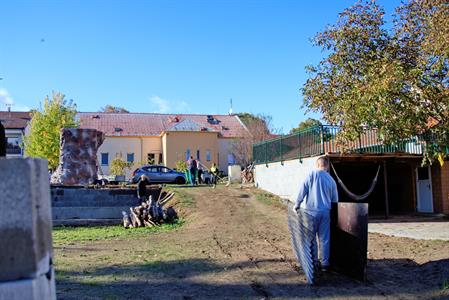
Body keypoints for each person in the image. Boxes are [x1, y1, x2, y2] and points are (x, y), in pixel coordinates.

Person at [294, 156, 338, 272]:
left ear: (317, 164)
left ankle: (313, 262)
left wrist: (297, 204)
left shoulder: (311, 175)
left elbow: (302, 191)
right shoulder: (331, 180)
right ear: (327, 166)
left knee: (311, 238)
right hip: (325, 213)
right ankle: (325, 264)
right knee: (324, 239)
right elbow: (335, 200)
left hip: (311, 213)